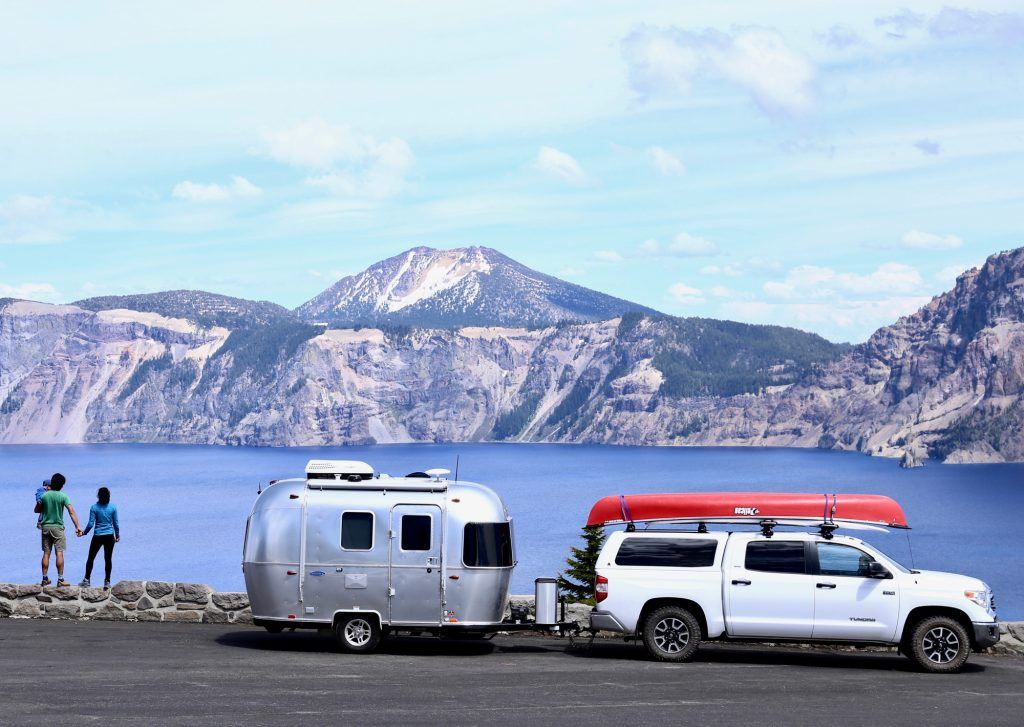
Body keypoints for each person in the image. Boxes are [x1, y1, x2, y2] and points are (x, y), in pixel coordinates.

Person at [34, 473, 82, 587]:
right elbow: (71, 511)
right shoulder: (63, 496)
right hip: (58, 528)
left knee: (46, 553)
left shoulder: (44, 496)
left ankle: (45, 578)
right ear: (62, 485)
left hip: (45, 527)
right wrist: (78, 526)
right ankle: (60, 579)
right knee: (59, 553)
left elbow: (36, 510)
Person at [78, 487, 120, 589]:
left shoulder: (94, 507)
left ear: (98, 496)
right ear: (109, 496)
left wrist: (84, 533)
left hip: (98, 536)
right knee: (108, 558)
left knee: (91, 558)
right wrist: (117, 535)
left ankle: (87, 580)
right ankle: (107, 582)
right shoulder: (113, 507)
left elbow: (91, 523)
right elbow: (116, 524)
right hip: (110, 536)